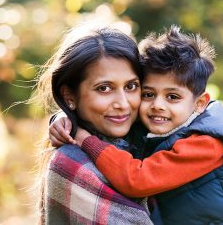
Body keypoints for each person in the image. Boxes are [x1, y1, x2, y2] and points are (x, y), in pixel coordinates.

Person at [51, 26, 223, 224]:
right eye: (148, 93)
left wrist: (85, 139)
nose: (157, 106)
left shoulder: (208, 142)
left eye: (172, 96)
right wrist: (65, 117)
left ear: (200, 103)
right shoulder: (161, 124)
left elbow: (137, 179)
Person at [35, 24, 155, 224]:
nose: (123, 104)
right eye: (104, 88)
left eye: (131, 86)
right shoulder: (72, 164)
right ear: (69, 96)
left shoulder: (148, 138)